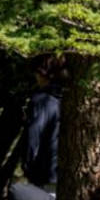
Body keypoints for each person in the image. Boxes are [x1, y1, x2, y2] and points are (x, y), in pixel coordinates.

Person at [22, 55, 62, 192]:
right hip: (62, 172)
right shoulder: (66, 98)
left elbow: (33, 136)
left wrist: (28, 167)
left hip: (43, 174)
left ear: (39, 73)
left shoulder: (40, 100)